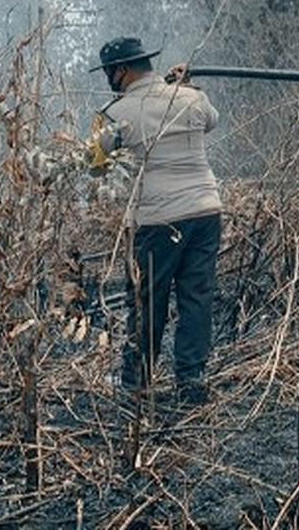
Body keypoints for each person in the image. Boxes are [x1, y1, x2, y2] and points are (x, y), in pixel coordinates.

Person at [88, 37, 222, 406]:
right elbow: (212, 120)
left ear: (122, 71)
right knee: (197, 297)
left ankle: (136, 380)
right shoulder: (193, 97)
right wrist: (184, 86)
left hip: (157, 220)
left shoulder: (114, 112)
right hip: (206, 211)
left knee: (148, 300)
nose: (108, 80)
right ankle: (192, 379)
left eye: (109, 73)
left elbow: (95, 166)